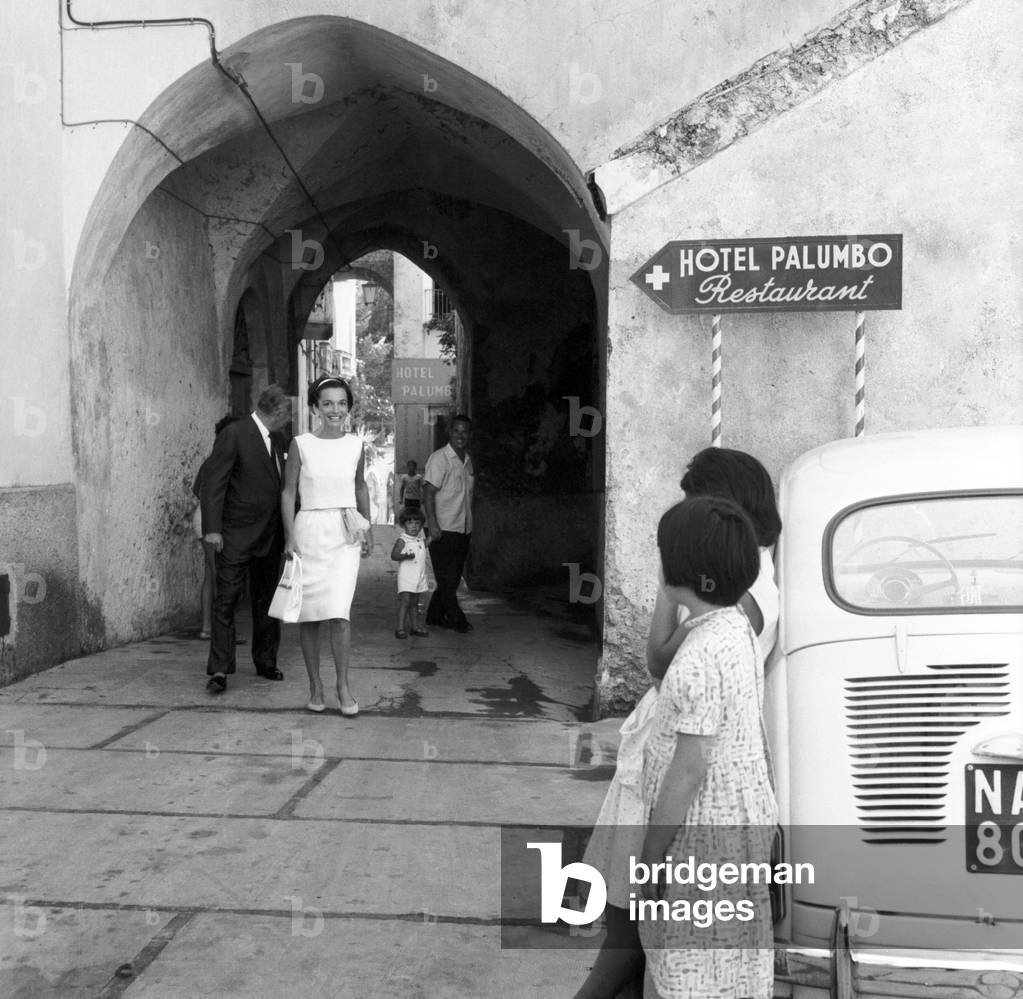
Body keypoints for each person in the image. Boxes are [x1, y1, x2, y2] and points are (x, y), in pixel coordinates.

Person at [575, 447, 781, 999]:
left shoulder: (714, 638)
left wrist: (652, 855)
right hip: (699, 801)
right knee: (658, 941)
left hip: (689, 810)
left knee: (646, 939)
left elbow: (663, 674)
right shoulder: (730, 619)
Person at [639, 496, 776, 999]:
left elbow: (689, 768)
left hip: (700, 834)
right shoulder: (734, 628)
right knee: (725, 959)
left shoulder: (698, 657)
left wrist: (652, 854)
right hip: (739, 823)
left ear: (682, 569)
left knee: (688, 959)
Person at [281, 376, 371, 715]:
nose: (336, 410)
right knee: (311, 615)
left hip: (345, 534)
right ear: (315, 408)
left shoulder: (356, 445)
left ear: (349, 408)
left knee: (339, 611)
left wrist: (367, 526)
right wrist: (289, 536)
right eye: (328, 403)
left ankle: (342, 686)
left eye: (342, 403)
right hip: (309, 530)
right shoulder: (300, 444)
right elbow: (288, 492)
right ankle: (315, 686)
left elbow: (360, 486)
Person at [201, 387, 292, 693]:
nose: (289, 419)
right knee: (226, 601)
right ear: (277, 412)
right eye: (287, 413)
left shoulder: (278, 440)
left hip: (270, 536)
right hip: (235, 535)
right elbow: (214, 482)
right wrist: (212, 529)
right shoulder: (235, 433)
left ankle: (266, 661)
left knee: (267, 601)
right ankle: (220, 670)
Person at [423, 416, 474, 632]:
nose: (460, 436)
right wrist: (433, 524)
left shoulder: (467, 461)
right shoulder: (440, 459)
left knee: (451, 578)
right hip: (442, 528)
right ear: (449, 432)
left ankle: (434, 616)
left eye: (464, 432)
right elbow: (428, 493)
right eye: (456, 431)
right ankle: (457, 619)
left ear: (469, 434)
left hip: (462, 527)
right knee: (446, 578)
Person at [191, 415, 240, 639]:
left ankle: (207, 628)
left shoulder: (210, 460)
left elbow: (196, 490)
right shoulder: (227, 460)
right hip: (213, 520)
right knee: (221, 576)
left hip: (202, 517)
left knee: (211, 574)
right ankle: (223, 632)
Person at [391, 507, 429, 639]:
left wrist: (433, 535)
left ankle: (415, 627)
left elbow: (426, 543)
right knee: (405, 601)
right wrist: (405, 556)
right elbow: (394, 555)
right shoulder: (402, 540)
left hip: (418, 577)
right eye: (410, 523)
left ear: (421, 525)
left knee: (415, 603)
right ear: (403, 525)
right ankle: (400, 628)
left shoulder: (419, 540)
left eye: (417, 523)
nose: (414, 526)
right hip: (406, 577)